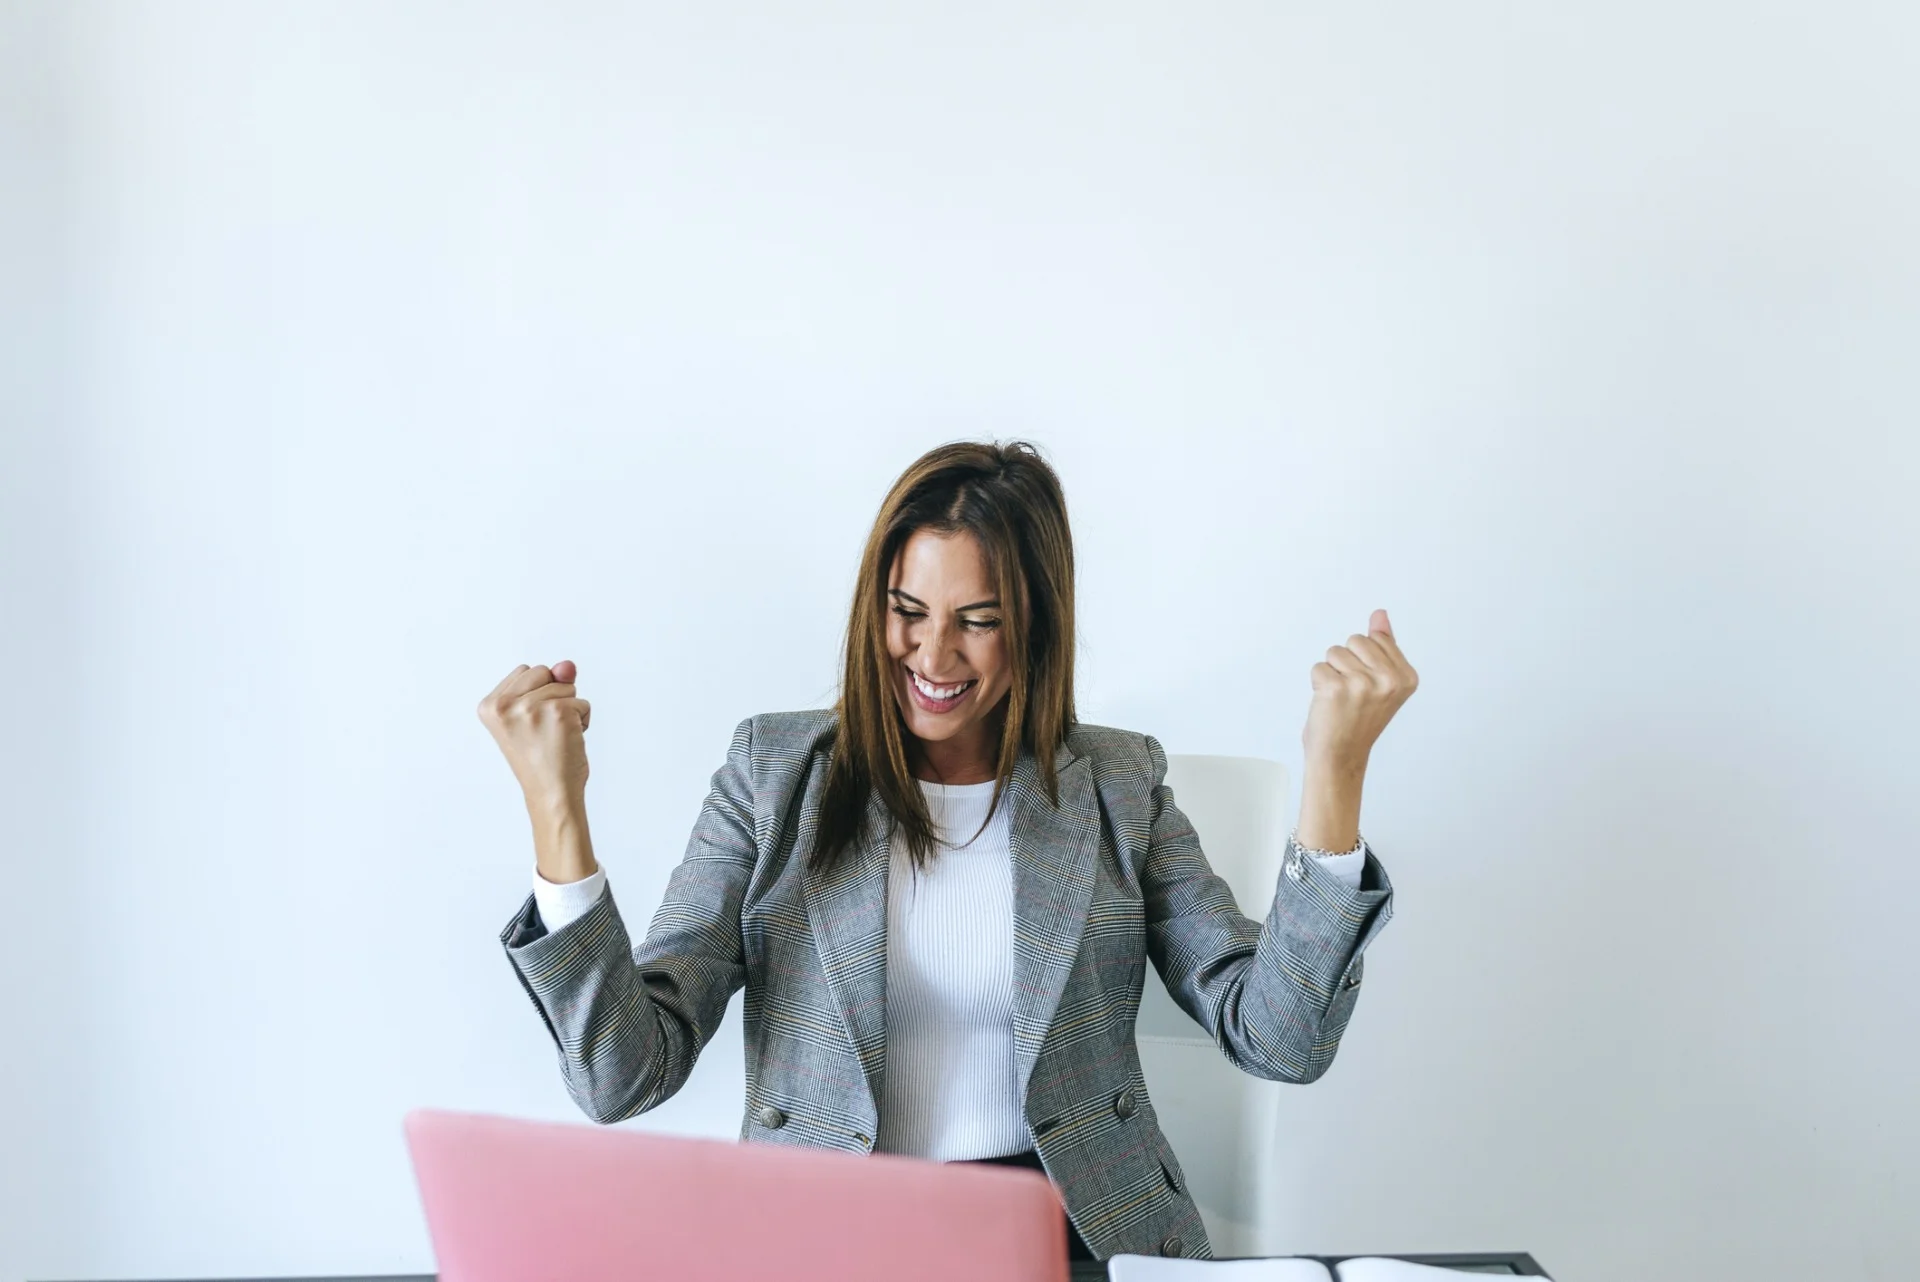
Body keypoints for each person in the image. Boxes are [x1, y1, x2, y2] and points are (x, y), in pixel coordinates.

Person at [477, 439, 1417, 1264]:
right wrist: (557, 809)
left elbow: (1281, 1040)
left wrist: (1334, 771)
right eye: (906, 610)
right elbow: (620, 1076)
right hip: (829, 1240)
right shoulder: (772, 775)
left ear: (1035, 625)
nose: (933, 655)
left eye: (979, 619)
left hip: (1068, 1234)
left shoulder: (1118, 785)